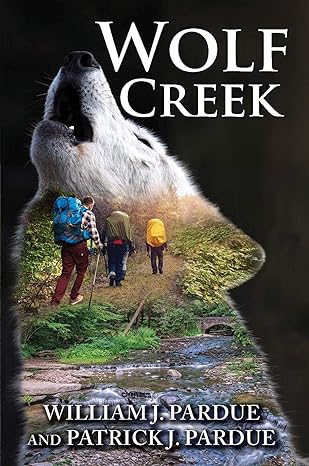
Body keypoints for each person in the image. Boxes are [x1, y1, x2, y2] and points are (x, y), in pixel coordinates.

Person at [51, 196, 103, 306]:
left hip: (65, 245)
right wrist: (99, 245)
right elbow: (94, 232)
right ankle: (74, 297)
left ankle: (55, 301)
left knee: (65, 273)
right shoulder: (89, 213)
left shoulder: (70, 212)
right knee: (81, 270)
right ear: (90, 204)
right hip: (79, 246)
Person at [104, 211, 135, 287]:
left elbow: (104, 233)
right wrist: (131, 247)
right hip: (122, 244)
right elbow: (129, 236)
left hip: (111, 244)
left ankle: (112, 274)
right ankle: (118, 280)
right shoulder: (124, 223)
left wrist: (103, 244)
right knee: (119, 262)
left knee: (111, 261)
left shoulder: (109, 221)